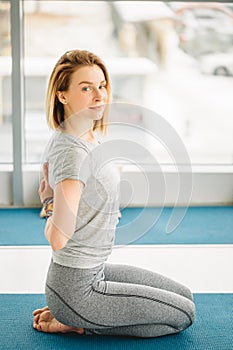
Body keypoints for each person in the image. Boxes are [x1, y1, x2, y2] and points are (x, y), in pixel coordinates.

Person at [33, 49, 195, 338]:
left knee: (185, 296)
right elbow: (58, 238)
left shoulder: (87, 135)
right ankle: (79, 322)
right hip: (78, 287)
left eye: (102, 85)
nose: (99, 95)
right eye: (86, 88)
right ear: (63, 95)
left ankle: (77, 314)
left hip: (95, 271)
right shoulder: (72, 152)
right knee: (183, 315)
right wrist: (48, 203)